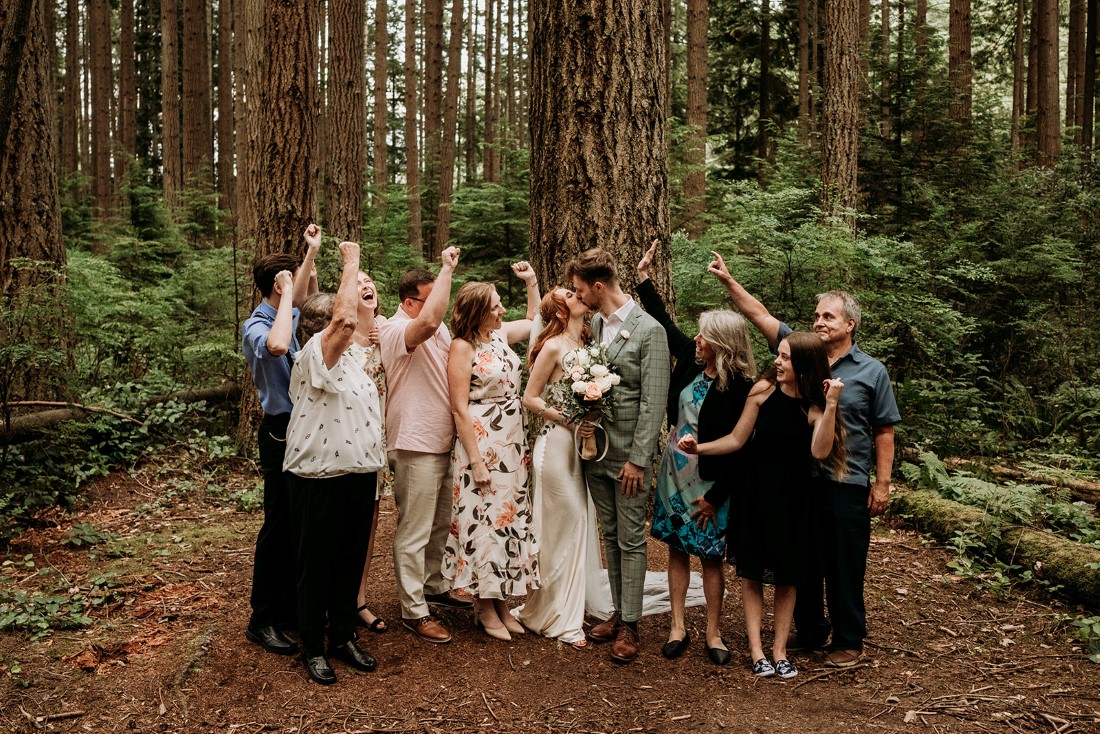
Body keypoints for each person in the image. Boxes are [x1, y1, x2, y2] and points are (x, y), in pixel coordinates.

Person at [708, 252, 901, 668]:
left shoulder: (871, 372)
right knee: (803, 559)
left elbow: (885, 430)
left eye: (828, 317)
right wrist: (728, 281)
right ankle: (812, 631)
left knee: (844, 564)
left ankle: (848, 639)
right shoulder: (801, 352)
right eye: (816, 316)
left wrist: (882, 484)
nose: (818, 322)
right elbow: (759, 314)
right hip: (800, 480)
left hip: (846, 482)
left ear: (849, 324)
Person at [680, 331, 846, 680]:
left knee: (789, 577)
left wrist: (831, 404)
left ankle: (780, 651)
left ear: (803, 364)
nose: (777, 362)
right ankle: (757, 651)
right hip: (755, 494)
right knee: (753, 574)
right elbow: (737, 439)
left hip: (796, 500)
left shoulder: (816, 406)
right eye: (780, 355)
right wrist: (700, 449)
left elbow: (820, 451)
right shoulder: (762, 392)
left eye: (785, 357)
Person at [635, 241, 756, 666]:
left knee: (711, 557)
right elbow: (664, 323)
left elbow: (742, 448)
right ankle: (677, 626)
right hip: (674, 470)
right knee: (675, 549)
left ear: (721, 343)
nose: (697, 339)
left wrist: (717, 496)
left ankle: (714, 633)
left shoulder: (741, 385)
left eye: (705, 335)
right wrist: (644, 278)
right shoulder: (689, 356)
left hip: (712, 480)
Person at [283, 241, 386, 685]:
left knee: (348, 561)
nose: (347, 324)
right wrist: (351, 263)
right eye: (338, 322)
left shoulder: (356, 361)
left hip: (360, 477)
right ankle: (312, 646)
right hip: (318, 478)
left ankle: (343, 637)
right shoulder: (311, 357)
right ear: (322, 327)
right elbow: (346, 320)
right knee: (317, 566)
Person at [567, 247, 670, 664]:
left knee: (630, 537)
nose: (577, 296)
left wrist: (639, 459)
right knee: (608, 533)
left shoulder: (650, 330)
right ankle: (616, 610)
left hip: (630, 455)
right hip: (597, 451)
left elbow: (653, 401)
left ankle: (631, 624)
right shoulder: (594, 322)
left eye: (579, 289)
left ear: (598, 286)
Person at [442, 265, 542, 640]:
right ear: (477, 311)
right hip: (480, 444)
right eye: (496, 307)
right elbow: (458, 408)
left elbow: (533, 320)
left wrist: (531, 282)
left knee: (507, 521)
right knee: (482, 521)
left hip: (511, 443)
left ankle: (502, 601)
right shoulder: (462, 346)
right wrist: (477, 462)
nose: (503, 312)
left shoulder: (499, 335)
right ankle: (482, 607)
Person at [379, 247, 471, 644]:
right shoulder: (395, 329)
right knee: (413, 529)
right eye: (429, 296)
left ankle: (433, 586)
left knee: (438, 524)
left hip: (443, 440)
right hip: (414, 440)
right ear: (409, 302)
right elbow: (431, 320)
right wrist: (448, 269)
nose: (437, 303)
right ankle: (413, 609)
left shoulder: (439, 328)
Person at [240, 224, 321, 656]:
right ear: (278, 286)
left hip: (304, 428)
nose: (303, 287)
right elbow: (276, 346)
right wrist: (288, 292)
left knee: (299, 524)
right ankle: (262, 618)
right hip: (278, 432)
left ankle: (289, 608)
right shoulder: (257, 325)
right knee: (278, 527)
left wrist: (310, 252)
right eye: (291, 282)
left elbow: (303, 296)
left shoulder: (290, 308)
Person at [516, 287, 611, 648]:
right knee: (567, 518)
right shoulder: (554, 345)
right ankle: (558, 617)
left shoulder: (587, 345)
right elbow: (530, 397)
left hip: (580, 446)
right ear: (559, 309)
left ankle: (559, 606)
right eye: (570, 294)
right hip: (555, 445)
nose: (578, 294)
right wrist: (570, 419)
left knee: (580, 521)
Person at [353, 271, 388, 633]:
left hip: (377, 444)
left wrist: (387, 339)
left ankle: (358, 600)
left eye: (371, 281)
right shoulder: (340, 337)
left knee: (369, 524)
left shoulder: (387, 332)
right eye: (358, 281)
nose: (367, 285)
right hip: (344, 445)